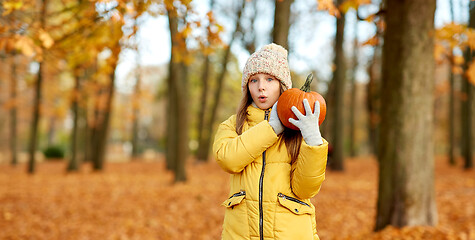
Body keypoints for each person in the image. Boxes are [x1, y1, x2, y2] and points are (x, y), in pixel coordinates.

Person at [213, 43, 328, 240]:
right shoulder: (234, 125)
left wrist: (313, 140)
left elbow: (306, 189)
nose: (261, 87)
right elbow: (227, 159)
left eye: (269, 79)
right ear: (247, 87)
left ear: (283, 85)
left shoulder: (298, 130)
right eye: (253, 80)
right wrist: (271, 128)